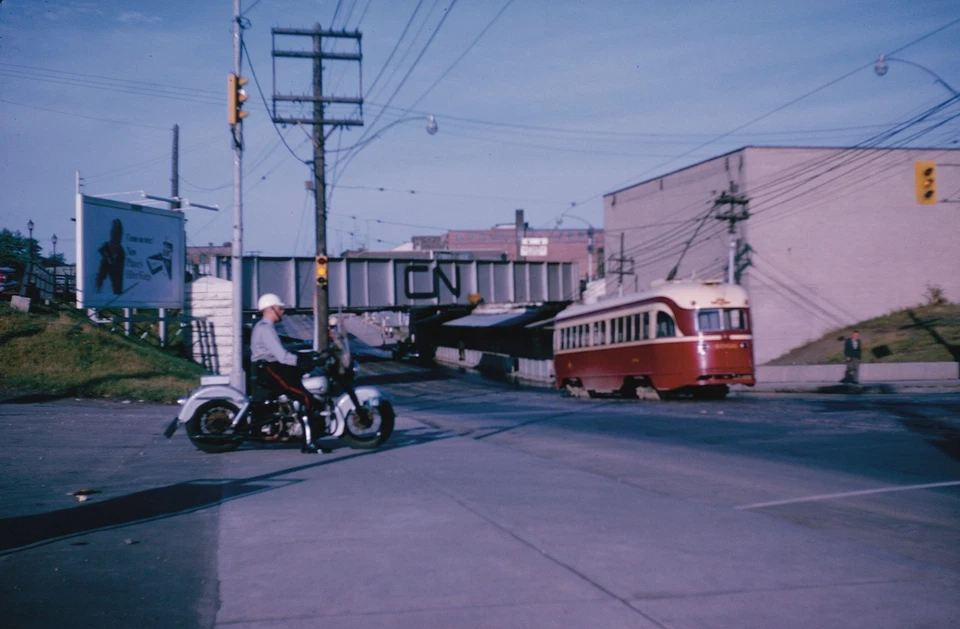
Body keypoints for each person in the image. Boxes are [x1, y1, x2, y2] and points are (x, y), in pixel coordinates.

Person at [250, 293, 315, 422]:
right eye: (279, 308)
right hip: (269, 368)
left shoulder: (263, 326)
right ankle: (309, 431)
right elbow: (282, 357)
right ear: (270, 309)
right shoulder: (266, 329)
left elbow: (279, 350)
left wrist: (303, 355)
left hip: (268, 367)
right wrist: (301, 361)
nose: (283, 311)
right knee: (304, 396)